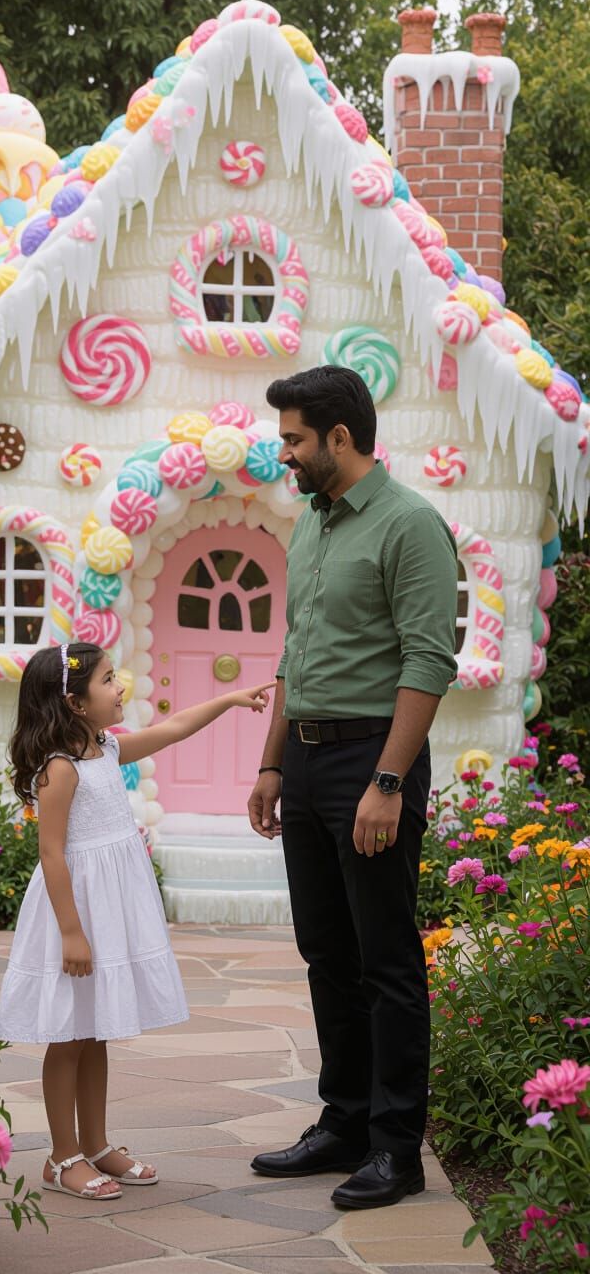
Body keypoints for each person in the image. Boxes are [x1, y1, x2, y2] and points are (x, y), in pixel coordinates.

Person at [247, 364, 458, 1210]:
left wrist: (388, 781)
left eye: (294, 438)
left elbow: (428, 661)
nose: (285, 453)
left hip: (374, 759)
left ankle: (395, 1147)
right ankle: (343, 1123)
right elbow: (296, 656)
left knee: (387, 960)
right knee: (326, 953)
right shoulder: (314, 521)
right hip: (305, 759)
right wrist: (270, 763)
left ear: (340, 437)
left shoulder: (410, 525)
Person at [0, 641, 273, 1200]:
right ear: (74, 702)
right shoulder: (61, 768)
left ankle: (95, 1144)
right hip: (75, 913)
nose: (120, 686)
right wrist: (72, 932)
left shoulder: (104, 748)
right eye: (107, 680)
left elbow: (172, 729)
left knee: (95, 1030)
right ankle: (61, 1155)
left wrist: (229, 698)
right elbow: (52, 854)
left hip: (110, 910)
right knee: (67, 1036)